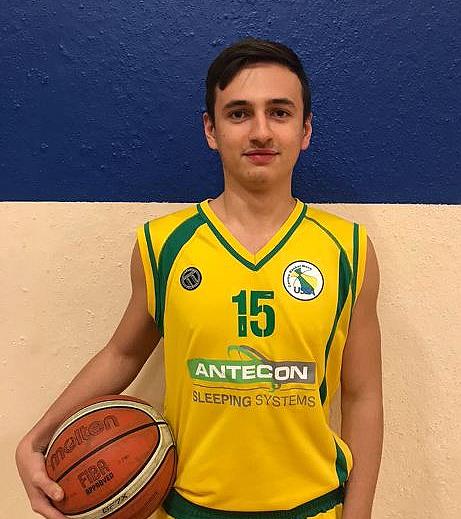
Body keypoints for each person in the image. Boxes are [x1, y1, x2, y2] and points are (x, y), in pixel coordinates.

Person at [16, 38, 383, 519]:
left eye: (279, 112)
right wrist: (36, 439)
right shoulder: (163, 245)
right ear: (211, 129)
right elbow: (122, 354)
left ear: (305, 130)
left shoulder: (348, 249)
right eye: (238, 114)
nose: (260, 131)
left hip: (313, 507)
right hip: (188, 509)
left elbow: (362, 396)